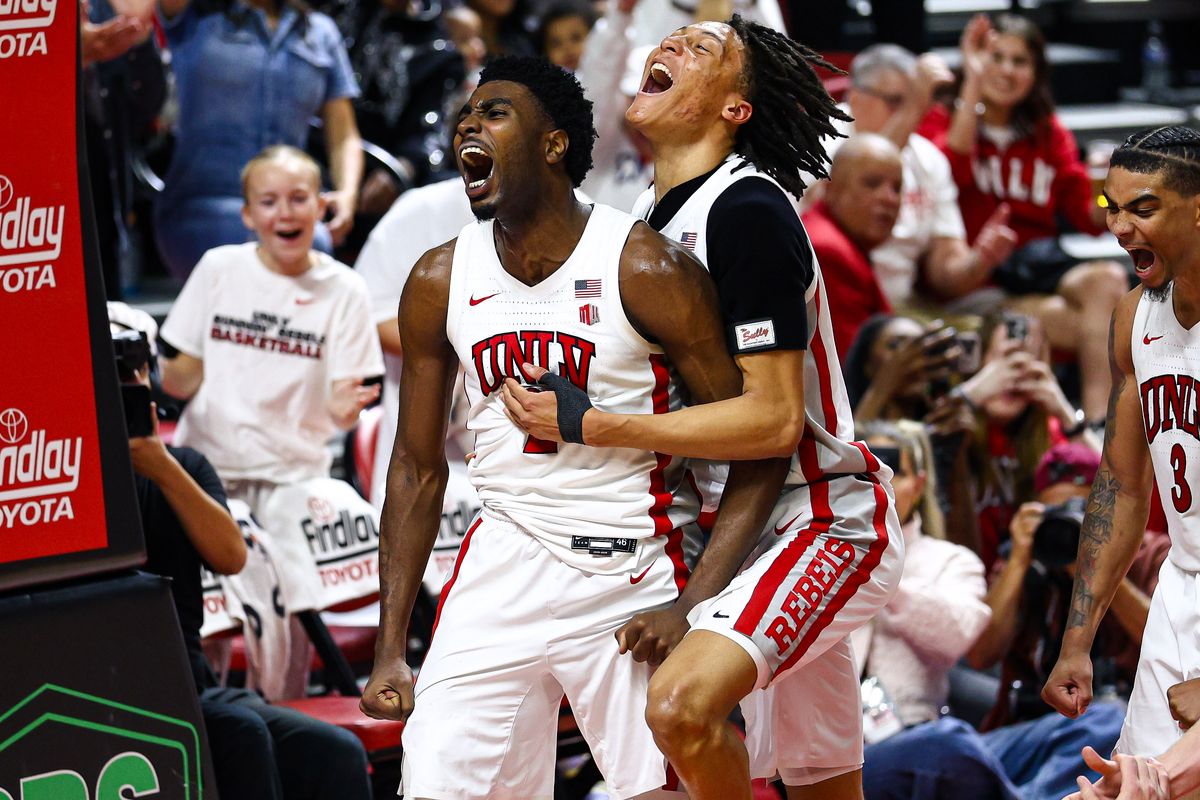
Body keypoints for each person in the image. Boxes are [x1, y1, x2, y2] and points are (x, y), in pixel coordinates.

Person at [502, 17, 905, 799]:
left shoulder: (745, 210)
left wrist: (596, 424)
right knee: (825, 783)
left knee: (680, 709)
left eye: (702, 49)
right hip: (728, 528)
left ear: (735, 110)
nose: (668, 47)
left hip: (816, 518)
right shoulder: (649, 223)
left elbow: (773, 422)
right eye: (670, 40)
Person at [358, 56, 774, 799]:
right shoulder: (438, 279)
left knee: (667, 787)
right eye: (465, 117)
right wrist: (392, 646)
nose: (467, 127)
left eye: (494, 113)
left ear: (554, 146)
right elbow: (418, 468)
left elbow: (757, 448)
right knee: (436, 785)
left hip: (629, 569)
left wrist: (691, 604)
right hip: (500, 563)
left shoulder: (645, 267)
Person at [109, 305, 373, 800]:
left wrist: (159, 465)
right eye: (113, 374)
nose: (128, 384)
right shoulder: (66, 482)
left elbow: (230, 557)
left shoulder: (183, 466)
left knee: (336, 751)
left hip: (189, 680)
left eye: (135, 370)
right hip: (113, 685)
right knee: (240, 735)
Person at [159, 146, 384, 695]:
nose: (285, 212)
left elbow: (341, 405)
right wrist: (164, 372)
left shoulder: (344, 289)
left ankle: (281, 728)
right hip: (207, 477)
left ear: (321, 206)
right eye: (269, 201)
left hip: (291, 482)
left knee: (285, 630)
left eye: (298, 198)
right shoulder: (218, 269)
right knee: (201, 625)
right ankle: (207, 731)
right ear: (247, 215)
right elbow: (177, 380)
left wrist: (347, 409)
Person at [1042, 126, 1200, 760]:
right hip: (1182, 590)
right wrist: (1078, 639)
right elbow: (1121, 483)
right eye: (1112, 206)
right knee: (1137, 785)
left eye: (1144, 208)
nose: (1120, 228)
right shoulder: (1135, 317)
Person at [920, 13, 1128, 423]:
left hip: (1034, 268)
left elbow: (1089, 218)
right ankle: (1095, 433)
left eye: (1020, 61)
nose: (1007, 71)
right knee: (1105, 327)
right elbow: (951, 166)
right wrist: (972, 81)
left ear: (1036, 73)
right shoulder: (944, 118)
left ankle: (1097, 428)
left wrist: (1110, 193)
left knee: (1108, 280)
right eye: (996, 57)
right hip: (972, 280)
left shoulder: (1048, 133)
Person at [154, 0, 363, 279]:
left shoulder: (320, 32)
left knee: (315, 244)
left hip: (289, 211)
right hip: (203, 207)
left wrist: (348, 194)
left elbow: (343, 133)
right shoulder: (194, 15)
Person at [819, 43, 1017, 309]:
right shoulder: (818, 142)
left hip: (902, 309)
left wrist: (979, 261)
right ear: (855, 97)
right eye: (896, 102)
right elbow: (860, 174)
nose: (917, 112)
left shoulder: (929, 159)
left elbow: (944, 273)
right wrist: (913, 107)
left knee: (1005, 315)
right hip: (831, 305)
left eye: (917, 101)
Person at [802, 134, 901, 357]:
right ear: (831, 189)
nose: (890, 198)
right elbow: (852, 367)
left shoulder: (840, 239)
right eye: (872, 183)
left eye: (897, 188)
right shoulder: (829, 252)